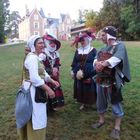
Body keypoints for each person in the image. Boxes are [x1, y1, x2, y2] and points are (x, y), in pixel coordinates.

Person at [92, 26, 131, 140]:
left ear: (109, 35)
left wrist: (104, 63)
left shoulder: (120, 46)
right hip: (100, 79)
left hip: (113, 80)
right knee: (100, 100)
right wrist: (97, 63)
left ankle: (117, 127)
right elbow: (96, 58)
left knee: (115, 101)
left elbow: (117, 58)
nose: (101, 37)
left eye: (103, 35)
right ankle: (101, 120)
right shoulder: (103, 48)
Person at [17, 35, 59, 140]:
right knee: (36, 117)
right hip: (32, 91)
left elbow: (43, 73)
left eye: (42, 42)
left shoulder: (36, 57)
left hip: (36, 90)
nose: (43, 45)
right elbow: (35, 78)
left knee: (37, 115)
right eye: (40, 43)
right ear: (33, 45)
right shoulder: (32, 58)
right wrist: (48, 89)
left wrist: (52, 81)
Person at [71, 31, 97, 110]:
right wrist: (72, 70)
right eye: (81, 40)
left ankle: (91, 101)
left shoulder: (93, 50)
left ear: (88, 40)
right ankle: (82, 102)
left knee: (89, 87)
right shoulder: (78, 50)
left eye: (83, 40)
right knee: (80, 87)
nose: (82, 42)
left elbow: (96, 60)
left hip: (90, 72)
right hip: (78, 72)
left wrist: (94, 70)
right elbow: (75, 61)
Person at [39, 34, 64, 111]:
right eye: (51, 43)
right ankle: (48, 108)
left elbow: (57, 63)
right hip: (46, 77)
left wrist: (56, 68)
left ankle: (54, 106)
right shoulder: (43, 54)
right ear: (46, 44)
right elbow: (40, 68)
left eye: (54, 43)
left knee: (55, 88)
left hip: (55, 76)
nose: (53, 44)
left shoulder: (56, 53)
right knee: (48, 91)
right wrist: (50, 71)